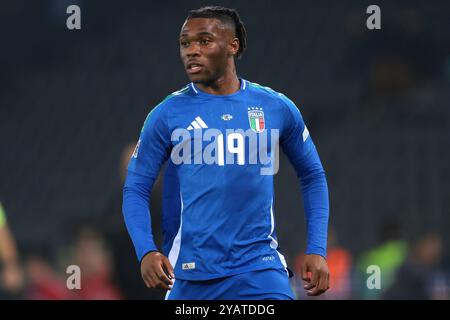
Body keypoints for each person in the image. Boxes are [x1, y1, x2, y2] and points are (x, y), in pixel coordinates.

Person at [122, 6, 330, 300]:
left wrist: (317, 249)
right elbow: (136, 187)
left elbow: (313, 175)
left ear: (233, 46)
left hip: (260, 272)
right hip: (190, 277)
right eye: (185, 43)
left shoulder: (275, 107)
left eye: (204, 41)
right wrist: (145, 251)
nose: (191, 51)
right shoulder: (166, 114)